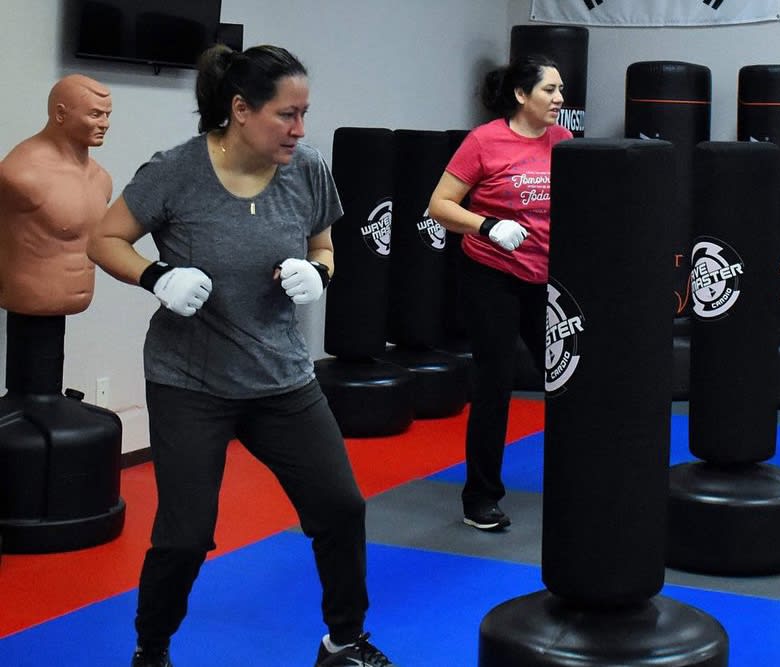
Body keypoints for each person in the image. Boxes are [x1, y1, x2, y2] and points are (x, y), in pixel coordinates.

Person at [87, 45, 394, 667]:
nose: (300, 129)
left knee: (341, 507)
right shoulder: (175, 171)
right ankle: (152, 649)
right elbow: (104, 238)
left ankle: (344, 642)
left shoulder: (306, 167)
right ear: (240, 110)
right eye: (287, 114)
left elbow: (325, 244)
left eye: (305, 114)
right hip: (190, 382)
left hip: (281, 377)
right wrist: (155, 277)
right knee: (186, 535)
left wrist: (321, 273)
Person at [428, 56, 571, 531]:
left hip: (545, 278)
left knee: (571, 377)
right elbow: (440, 207)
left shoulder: (563, 142)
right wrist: (488, 225)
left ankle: (583, 482)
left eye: (560, 90)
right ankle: (480, 498)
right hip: (491, 275)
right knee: (496, 381)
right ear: (520, 95)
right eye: (549, 90)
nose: (559, 99)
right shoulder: (484, 141)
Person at [0, 74, 112, 316]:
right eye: (95, 114)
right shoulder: (21, 174)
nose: (104, 124)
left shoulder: (101, 179)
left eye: (107, 115)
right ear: (61, 114)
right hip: (28, 300)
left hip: (68, 304)